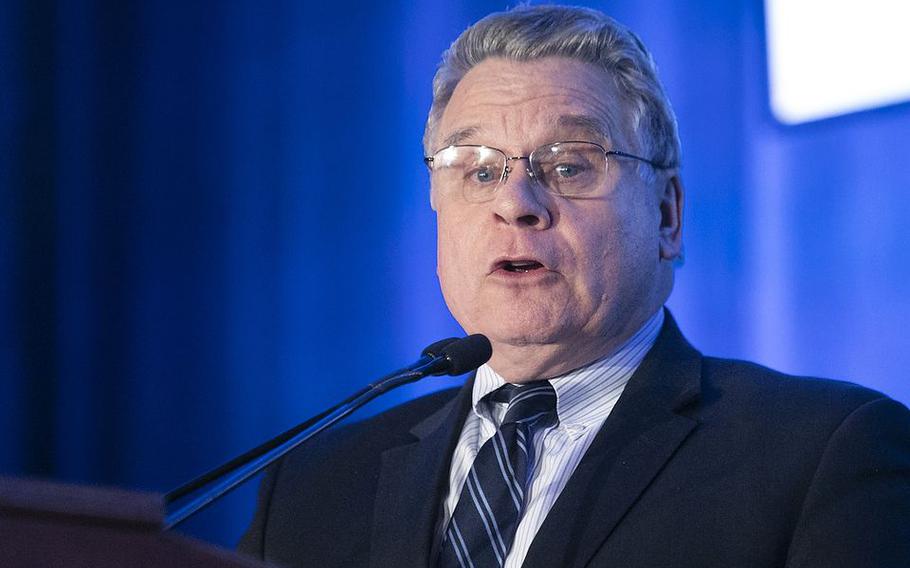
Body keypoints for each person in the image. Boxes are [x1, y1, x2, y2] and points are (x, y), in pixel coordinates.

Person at [238, 5, 910, 567]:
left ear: (667, 216)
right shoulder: (309, 490)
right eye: (477, 171)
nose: (516, 203)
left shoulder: (826, 455)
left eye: (568, 166)